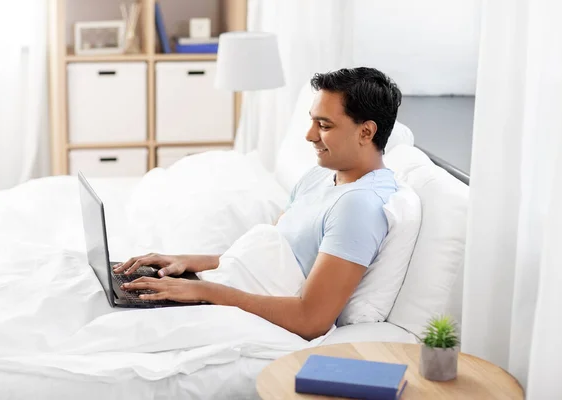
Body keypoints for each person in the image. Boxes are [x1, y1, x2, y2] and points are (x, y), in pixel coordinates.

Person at [114, 67, 402, 340]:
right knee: (103, 289)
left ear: (366, 132)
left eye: (324, 125)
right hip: (219, 288)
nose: (309, 135)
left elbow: (311, 319)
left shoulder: (360, 207)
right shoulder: (320, 176)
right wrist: (187, 262)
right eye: (312, 121)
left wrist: (203, 290)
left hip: (233, 312)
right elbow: (264, 257)